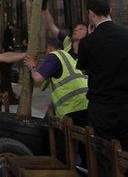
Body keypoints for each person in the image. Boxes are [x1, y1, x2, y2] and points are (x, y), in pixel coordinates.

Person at [76, 0, 128, 166]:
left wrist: (90, 37)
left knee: (104, 157)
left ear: (91, 14)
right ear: (110, 11)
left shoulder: (88, 42)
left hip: (103, 108)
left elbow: (83, 65)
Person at [25, 36, 89, 167]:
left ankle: (65, 171)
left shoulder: (54, 56)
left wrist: (32, 67)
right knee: (85, 146)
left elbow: (37, 79)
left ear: (49, 48)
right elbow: (42, 84)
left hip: (72, 107)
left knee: (62, 150)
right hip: (86, 104)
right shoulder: (68, 57)